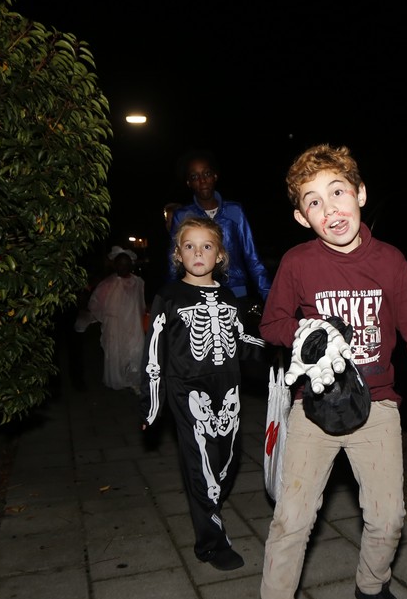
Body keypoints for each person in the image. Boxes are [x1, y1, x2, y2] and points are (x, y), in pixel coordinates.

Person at [244, 144, 407, 599]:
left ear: (360, 194)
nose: (330, 209)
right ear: (302, 217)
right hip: (314, 406)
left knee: (388, 517)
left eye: (337, 192)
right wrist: (308, 332)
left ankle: (372, 586)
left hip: (377, 403)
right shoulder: (298, 263)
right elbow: (271, 325)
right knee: (292, 518)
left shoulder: (389, 262)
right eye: (314, 202)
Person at [141, 216, 267, 570]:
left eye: (207, 246)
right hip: (187, 391)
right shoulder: (168, 296)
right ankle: (211, 543)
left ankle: (210, 508)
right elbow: (153, 353)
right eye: (190, 246)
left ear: (220, 255)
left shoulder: (228, 297)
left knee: (226, 461)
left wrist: (283, 346)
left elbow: (243, 341)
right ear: (178, 254)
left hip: (228, 389)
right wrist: (151, 405)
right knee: (201, 466)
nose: (198, 253)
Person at [165, 149, 273, 310]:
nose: (202, 180)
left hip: (236, 294)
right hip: (196, 295)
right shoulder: (182, 216)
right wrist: (169, 300)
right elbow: (173, 260)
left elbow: (252, 258)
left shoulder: (235, 211)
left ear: (215, 176)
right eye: (194, 177)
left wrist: (271, 300)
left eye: (207, 174)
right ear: (189, 183)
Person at [88, 246, 145, 392]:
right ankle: (119, 379)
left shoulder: (138, 282)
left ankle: (133, 380)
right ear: (115, 265)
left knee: (135, 351)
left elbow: (141, 303)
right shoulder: (108, 283)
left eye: (126, 264)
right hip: (115, 325)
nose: (123, 267)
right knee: (117, 352)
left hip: (133, 324)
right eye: (120, 264)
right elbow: (95, 303)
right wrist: (106, 316)